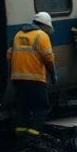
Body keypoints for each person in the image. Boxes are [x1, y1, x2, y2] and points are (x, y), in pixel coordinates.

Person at [7, 12, 57, 143]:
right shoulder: (42, 36)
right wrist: (53, 74)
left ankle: (21, 135)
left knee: (23, 106)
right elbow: (48, 58)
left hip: (17, 78)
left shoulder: (18, 34)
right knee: (41, 107)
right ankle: (33, 137)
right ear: (45, 25)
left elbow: (9, 55)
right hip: (35, 79)